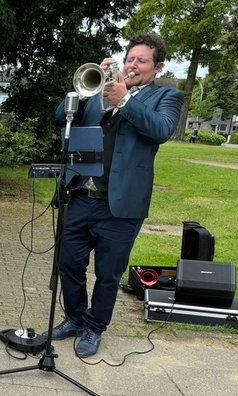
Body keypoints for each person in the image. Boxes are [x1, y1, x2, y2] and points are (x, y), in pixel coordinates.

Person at [49, 33, 183, 357]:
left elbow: (161, 130)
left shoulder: (166, 97)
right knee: (69, 264)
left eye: (141, 60)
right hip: (81, 195)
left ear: (158, 66)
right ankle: (76, 318)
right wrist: (85, 93)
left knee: (108, 274)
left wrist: (124, 99)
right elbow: (59, 117)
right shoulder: (98, 91)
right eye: (130, 58)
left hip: (121, 206)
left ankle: (95, 328)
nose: (132, 64)